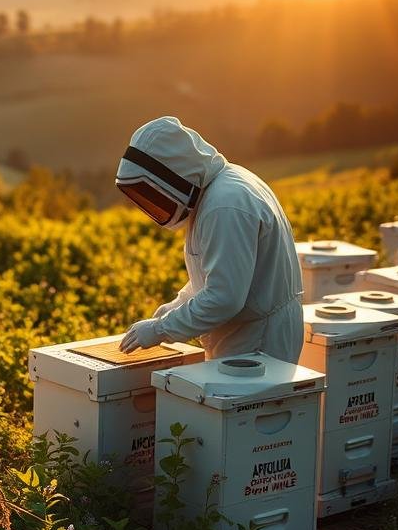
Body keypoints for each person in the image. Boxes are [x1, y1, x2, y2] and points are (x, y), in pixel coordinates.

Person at [114, 116, 303, 363]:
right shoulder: (219, 191)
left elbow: (224, 297)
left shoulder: (224, 205)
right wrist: (171, 309)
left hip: (258, 342)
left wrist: (161, 329)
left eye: (152, 191)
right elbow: (216, 274)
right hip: (248, 333)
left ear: (173, 173)